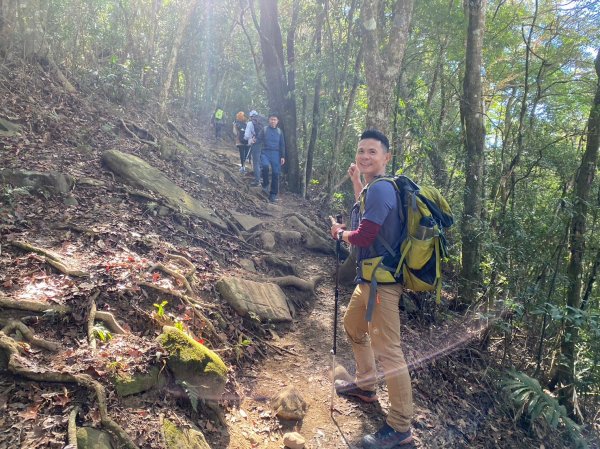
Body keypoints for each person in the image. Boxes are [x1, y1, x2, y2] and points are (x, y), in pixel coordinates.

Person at [329, 129, 413, 448]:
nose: (365, 156)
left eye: (372, 152)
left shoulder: (381, 189)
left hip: (383, 285)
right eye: (361, 151)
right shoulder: (373, 189)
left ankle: (401, 426)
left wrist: (339, 234)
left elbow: (364, 236)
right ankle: (366, 386)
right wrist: (356, 182)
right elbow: (367, 210)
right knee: (353, 326)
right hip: (369, 279)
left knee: (389, 351)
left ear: (386, 157)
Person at [260, 113, 285, 203]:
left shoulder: (279, 132)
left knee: (275, 173)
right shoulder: (265, 129)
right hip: (265, 152)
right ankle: (265, 184)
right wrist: (253, 140)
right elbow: (259, 139)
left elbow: (282, 144)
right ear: (269, 120)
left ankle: (273, 194)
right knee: (265, 166)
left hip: (276, 154)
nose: (273, 121)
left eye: (275, 119)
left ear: (277, 121)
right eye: (271, 119)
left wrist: (283, 156)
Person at [244, 110, 263, 187]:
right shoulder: (262, 122)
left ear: (250, 116)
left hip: (255, 143)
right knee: (261, 162)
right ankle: (262, 178)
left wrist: (248, 139)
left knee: (256, 162)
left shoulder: (250, 123)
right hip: (264, 144)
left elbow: (247, 135)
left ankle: (257, 181)